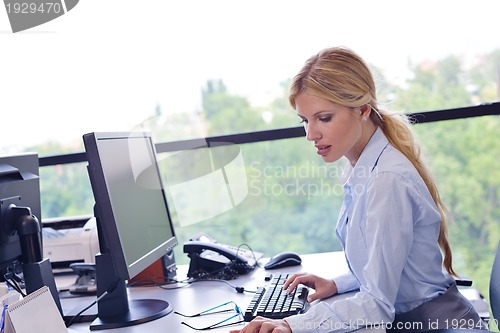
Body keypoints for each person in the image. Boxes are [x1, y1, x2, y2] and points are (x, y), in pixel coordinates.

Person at [231, 47, 486, 333]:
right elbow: (387, 265)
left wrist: (291, 325)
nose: (310, 134)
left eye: (324, 118)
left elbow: (377, 305)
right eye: (305, 120)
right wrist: (338, 283)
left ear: (363, 110)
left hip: (436, 325)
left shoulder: (386, 179)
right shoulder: (361, 166)